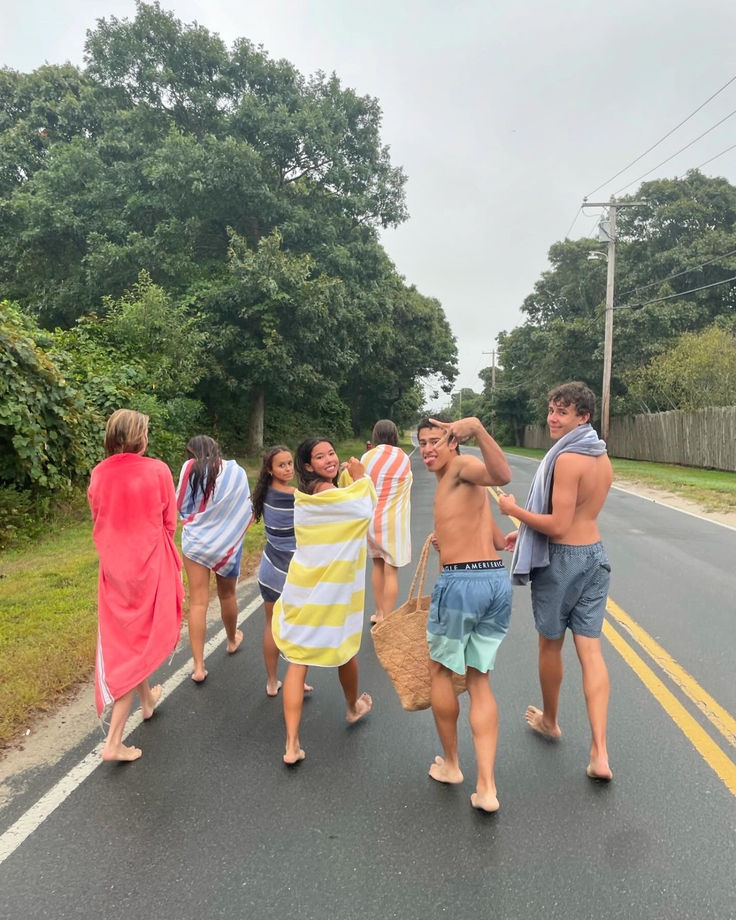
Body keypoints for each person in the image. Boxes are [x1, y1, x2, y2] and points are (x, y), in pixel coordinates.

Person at [498, 381, 614, 781]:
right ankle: (599, 752)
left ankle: (550, 719)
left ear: (583, 417)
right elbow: (580, 515)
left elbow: (559, 524)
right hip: (595, 557)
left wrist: (515, 512)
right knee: (591, 652)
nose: (552, 416)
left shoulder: (567, 460)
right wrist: (525, 533)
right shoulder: (601, 457)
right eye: (551, 408)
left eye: (563, 411)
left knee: (550, 644)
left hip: (562, 559)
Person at [417, 415, 512, 812]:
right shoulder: (453, 483)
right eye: (422, 442)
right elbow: (494, 536)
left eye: (437, 440)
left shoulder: (461, 467)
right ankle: (486, 789)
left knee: (440, 671)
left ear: (454, 442)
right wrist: (452, 537)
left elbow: (501, 474)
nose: (428, 448)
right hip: (493, 581)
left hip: (461, 584)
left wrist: (478, 428)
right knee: (479, 681)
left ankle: (453, 765)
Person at [271, 437, 376, 764]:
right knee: (345, 648)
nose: (330, 459)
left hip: (304, 589)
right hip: (330, 592)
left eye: (331, 453)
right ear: (308, 466)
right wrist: (361, 476)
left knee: (298, 660)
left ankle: (291, 745)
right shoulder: (327, 494)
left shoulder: (309, 496)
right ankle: (351, 706)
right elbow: (362, 510)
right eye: (320, 456)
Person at [88, 409, 183, 762]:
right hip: (148, 564)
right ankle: (113, 742)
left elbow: (98, 515)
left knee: (129, 637)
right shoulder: (157, 470)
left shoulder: (99, 473)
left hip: (114, 567)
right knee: (131, 649)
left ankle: (147, 699)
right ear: (138, 437)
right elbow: (169, 521)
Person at [176, 435, 253, 683]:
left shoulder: (188, 469)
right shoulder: (235, 470)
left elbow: (180, 505)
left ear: (191, 453)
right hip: (227, 542)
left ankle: (198, 667)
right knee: (227, 595)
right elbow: (244, 505)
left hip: (196, 542)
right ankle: (231, 640)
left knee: (198, 602)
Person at [252, 445, 313, 697]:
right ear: (270, 469)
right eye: (282, 465)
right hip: (293, 571)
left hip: (268, 569)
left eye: (290, 464)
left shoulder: (264, 493)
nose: (288, 468)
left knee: (271, 625)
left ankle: (271, 681)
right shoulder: (295, 495)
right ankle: (297, 681)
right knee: (298, 628)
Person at [361, 420, 413, 625]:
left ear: (375, 435)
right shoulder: (402, 457)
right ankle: (387, 619)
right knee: (391, 570)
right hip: (393, 521)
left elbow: (361, 484)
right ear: (394, 435)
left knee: (377, 565)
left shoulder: (367, 457)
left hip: (371, 519)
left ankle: (378, 612)